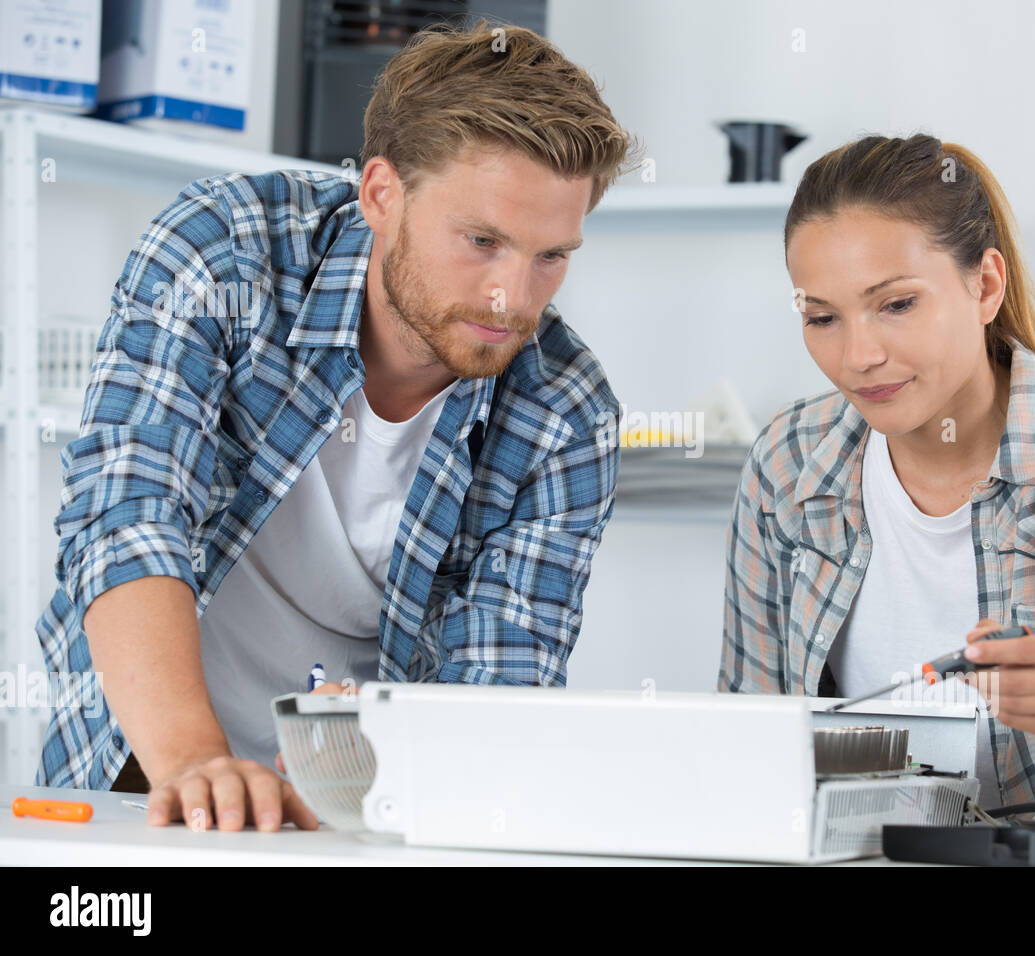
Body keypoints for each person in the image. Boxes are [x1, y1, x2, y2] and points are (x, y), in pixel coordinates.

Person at [36, 20, 639, 833]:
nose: (513, 297)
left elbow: (498, 690)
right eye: (482, 241)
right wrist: (192, 758)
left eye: (550, 256)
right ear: (382, 193)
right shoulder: (225, 254)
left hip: (372, 810)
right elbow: (126, 515)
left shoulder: (566, 413)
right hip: (149, 762)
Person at [718, 133, 1035, 843]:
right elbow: (746, 753)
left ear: (985, 285)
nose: (858, 357)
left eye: (896, 304)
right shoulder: (786, 463)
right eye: (822, 317)